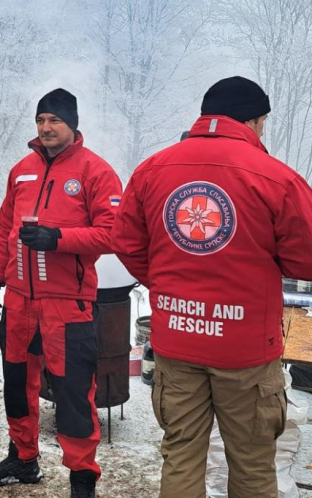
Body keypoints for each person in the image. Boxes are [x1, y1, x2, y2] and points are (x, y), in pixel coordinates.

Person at [112, 76, 312, 498]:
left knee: (181, 456)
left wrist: (169, 284)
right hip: (246, 351)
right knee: (253, 464)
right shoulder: (278, 179)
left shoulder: (152, 170)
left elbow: (128, 243)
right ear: (256, 121)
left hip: (177, 344)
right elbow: (306, 259)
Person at [0, 89, 122, 498]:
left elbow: (114, 233)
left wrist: (57, 238)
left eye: (54, 120)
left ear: (72, 124)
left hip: (68, 304)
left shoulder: (96, 171)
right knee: (17, 384)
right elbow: (6, 228)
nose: (45, 128)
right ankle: (23, 460)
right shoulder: (21, 169)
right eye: (40, 120)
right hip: (20, 301)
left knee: (74, 395)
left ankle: (82, 480)